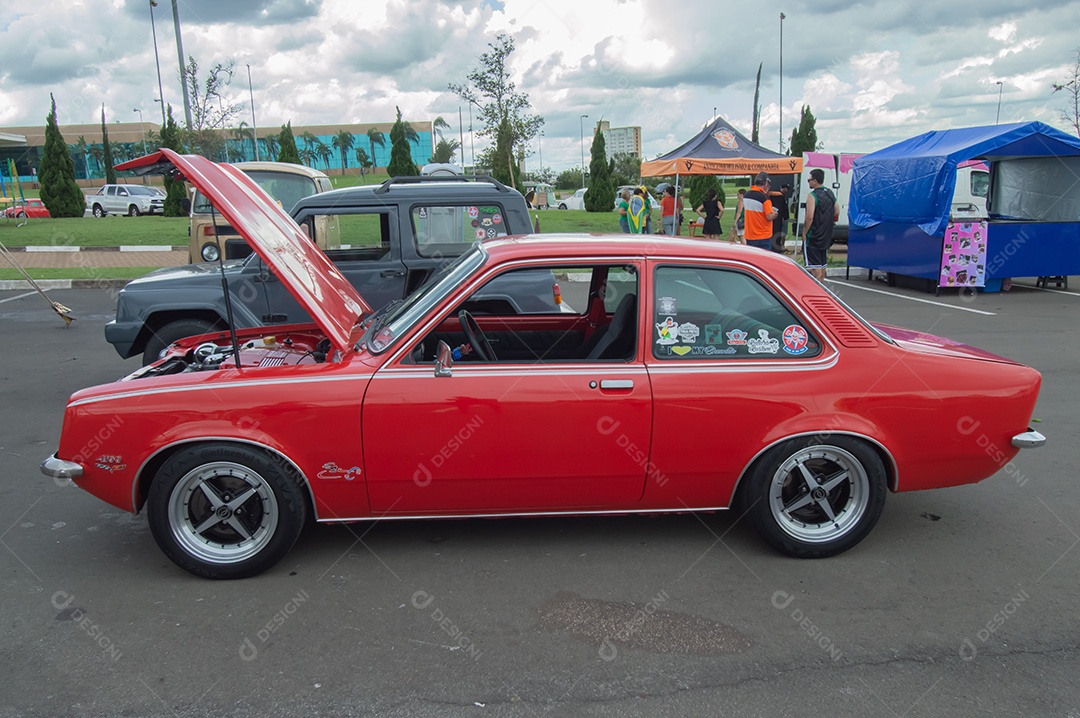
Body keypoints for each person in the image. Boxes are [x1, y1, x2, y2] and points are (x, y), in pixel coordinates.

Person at [801, 168, 839, 281]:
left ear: (815, 181)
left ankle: (816, 290)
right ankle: (821, 288)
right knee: (822, 266)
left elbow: (809, 216)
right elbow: (837, 211)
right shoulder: (830, 193)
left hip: (814, 234)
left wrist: (804, 232)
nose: (808, 182)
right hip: (826, 233)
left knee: (815, 266)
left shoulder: (812, 196)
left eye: (809, 180)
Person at [743, 172, 777, 250]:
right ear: (766, 183)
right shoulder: (764, 197)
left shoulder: (747, 195)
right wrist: (775, 214)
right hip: (763, 236)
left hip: (750, 235)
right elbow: (769, 216)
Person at [769, 183, 791, 253]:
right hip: (780, 219)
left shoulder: (771, 197)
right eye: (785, 188)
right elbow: (784, 210)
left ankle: (778, 246)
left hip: (774, 219)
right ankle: (779, 247)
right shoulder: (780, 197)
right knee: (781, 233)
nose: (786, 190)